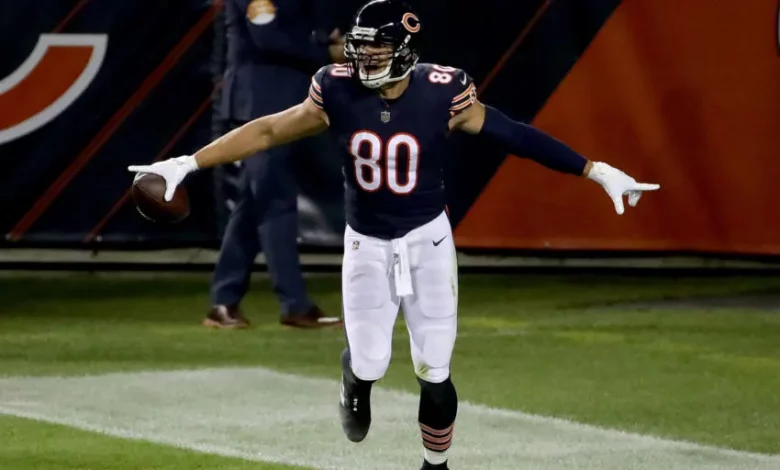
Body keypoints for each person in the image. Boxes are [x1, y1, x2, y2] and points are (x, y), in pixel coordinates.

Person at [128, 0, 660, 467]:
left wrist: (594, 170)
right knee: (371, 360)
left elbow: (512, 133)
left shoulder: (442, 90)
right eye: (360, 48)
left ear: (405, 49)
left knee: (435, 365)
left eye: (378, 50)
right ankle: (354, 381)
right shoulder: (334, 89)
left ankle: (435, 465)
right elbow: (268, 129)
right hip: (366, 242)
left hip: (428, 239)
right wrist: (189, 163)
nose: (365, 59)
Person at [206, 0, 345, 329]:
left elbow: (293, 31)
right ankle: (295, 305)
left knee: (253, 204)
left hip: (281, 106)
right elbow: (267, 38)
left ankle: (223, 302)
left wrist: (325, 42)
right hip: (259, 106)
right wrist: (324, 53)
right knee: (276, 199)